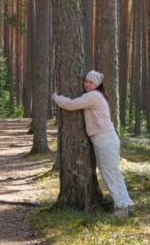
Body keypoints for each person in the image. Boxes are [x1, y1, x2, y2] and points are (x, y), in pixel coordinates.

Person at [52, 70, 135, 217]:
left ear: (96, 85)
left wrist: (56, 98)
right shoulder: (95, 96)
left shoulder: (93, 96)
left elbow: (71, 105)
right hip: (104, 138)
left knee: (110, 173)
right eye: (86, 81)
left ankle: (122, 206)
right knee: (112, 172)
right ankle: (126, 203)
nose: (87, 84)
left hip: (105, 139)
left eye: (91, 82)